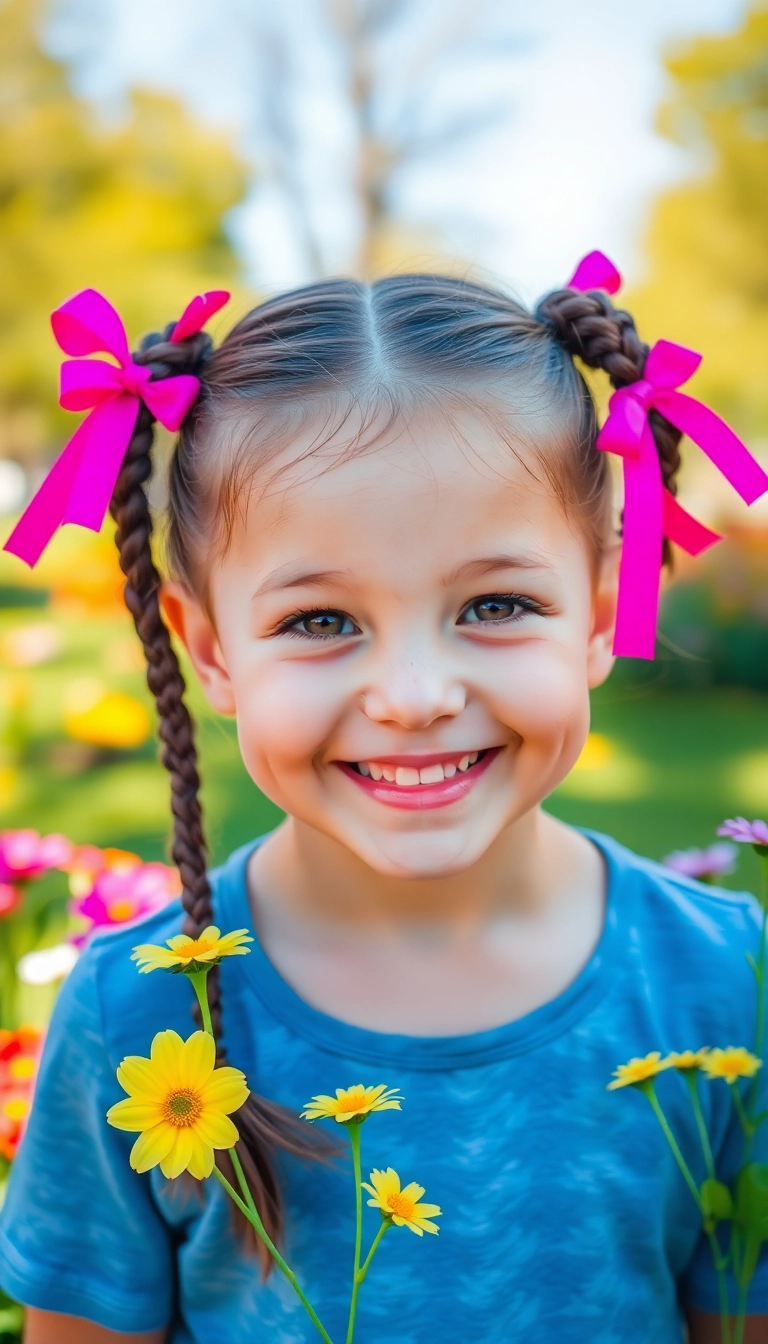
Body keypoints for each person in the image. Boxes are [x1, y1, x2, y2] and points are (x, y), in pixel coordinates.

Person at [1, 261, 767, 1344]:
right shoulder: (136, 1013)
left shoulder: (725, 985)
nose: (414, 698)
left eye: (496, 604)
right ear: (211, 649)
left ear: (601, 613)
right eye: (321, 621)